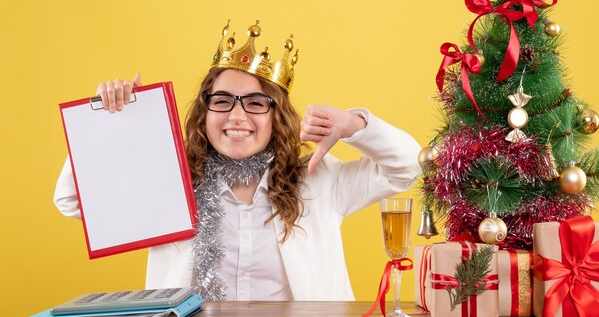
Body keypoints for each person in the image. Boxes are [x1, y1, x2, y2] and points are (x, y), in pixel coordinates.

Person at [53, 21, 421, 301]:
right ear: (205, 111)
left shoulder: (317, 179)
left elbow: (407, 165)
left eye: (256, 103)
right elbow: (71, 200)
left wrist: (353, 125)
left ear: (276, 116)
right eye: (223, 100)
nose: (237, 116)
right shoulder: (173, 181)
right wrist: (107, 122)